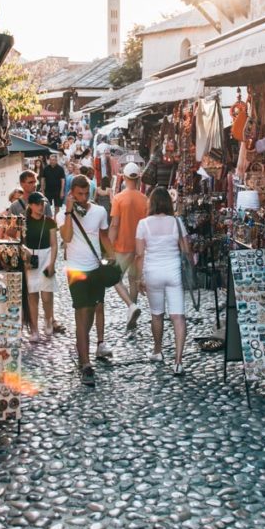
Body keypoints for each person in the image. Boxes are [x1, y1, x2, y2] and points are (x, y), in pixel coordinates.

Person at [57, 174, 116, 386]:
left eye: (85, 194)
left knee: (90, 312)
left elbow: (103, 236)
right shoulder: (63, 214)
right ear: (71, 194)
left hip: (95, 269)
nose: (82, 198)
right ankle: (85, 364)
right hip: (75, 270)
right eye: (78, 194)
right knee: (81, 314)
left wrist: (113, 257)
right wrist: (69, 210)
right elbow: (66, 237)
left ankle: (81, 344)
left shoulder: (99, 211)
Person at [135, 186, 189, 374]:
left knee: (156, 314)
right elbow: (186, 249)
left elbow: (139, 255)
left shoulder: (143, 224)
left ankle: (157, 351)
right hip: (173, 272)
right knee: (178, 316)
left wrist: (139, 278)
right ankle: (178, 361)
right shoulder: (177, 222)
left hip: (153, 272)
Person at [109, 162, 148, 331]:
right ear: (139, 179)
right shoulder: (145, 199)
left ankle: (131, 306)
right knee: (134, 280)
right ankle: (132, 312)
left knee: (114, 278)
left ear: (124, 178)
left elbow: (114, 225)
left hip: (122, 246)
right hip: (139, 247)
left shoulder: (118, 198)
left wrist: (108, 246)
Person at [23, 192, 59, 343]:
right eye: (37, 204)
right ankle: (34, 330)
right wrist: (25, 258)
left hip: (46, 257)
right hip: (31, 259)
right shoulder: (24, 222)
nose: (41, 206)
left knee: (46, 296)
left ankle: (48, 319)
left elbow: (54, 244)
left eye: (42, 204)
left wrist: (52, 263)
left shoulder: (49, 222)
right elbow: (20, 242)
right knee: (32, 297)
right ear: (31, 205)